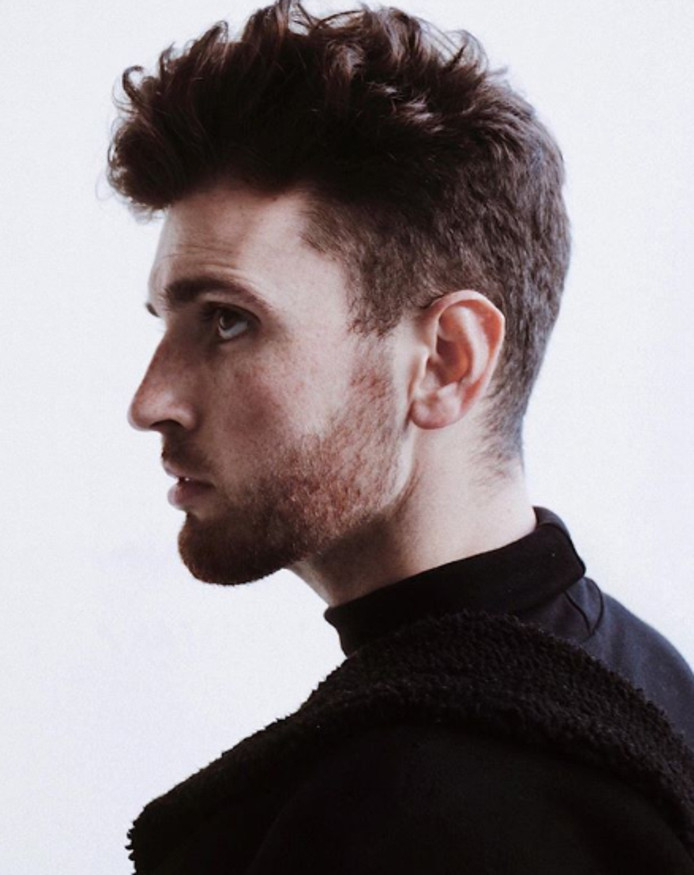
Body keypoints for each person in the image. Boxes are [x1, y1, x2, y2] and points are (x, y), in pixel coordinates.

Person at [109, 1, 694, 871]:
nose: (150, 400)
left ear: (447, 360)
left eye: (228, 321)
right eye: (165, 322)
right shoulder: (647, 679)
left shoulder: (411, 814)